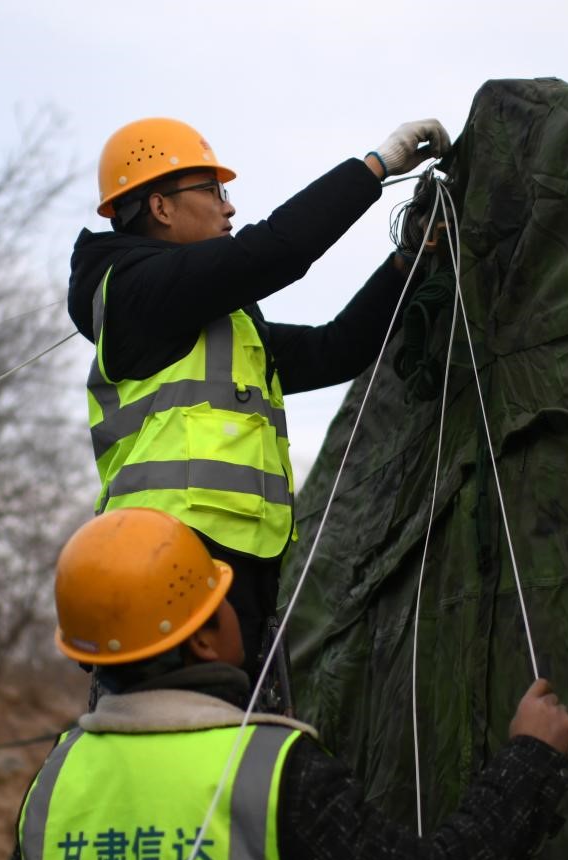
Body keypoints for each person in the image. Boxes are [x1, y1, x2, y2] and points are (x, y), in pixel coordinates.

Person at [0, 507, 568, 860]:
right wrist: (531, 757)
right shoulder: (272, 770)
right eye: (222, 601)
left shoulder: (56, 778)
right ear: (203, 637)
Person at [69, 116, 451, 697]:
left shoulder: (226, 330)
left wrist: (409, 259)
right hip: (162, 569)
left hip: (239, 575)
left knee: (238, 753)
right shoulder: (132, 292)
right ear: (161, 207)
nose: (229, 207)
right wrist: (374, 169)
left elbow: (335, 349)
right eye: (213, 191)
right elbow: (273, 251)